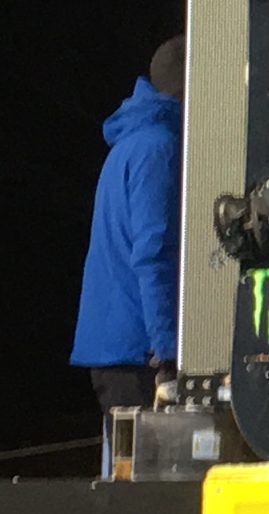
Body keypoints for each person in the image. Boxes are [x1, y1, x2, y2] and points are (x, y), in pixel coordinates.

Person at [71, 35, 186, 411]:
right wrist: (169, 353)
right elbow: (154, 253)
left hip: (119, 345)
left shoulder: (133, 142)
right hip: (139, 354)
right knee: (151, 469)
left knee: (125, 467)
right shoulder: (160, 148)